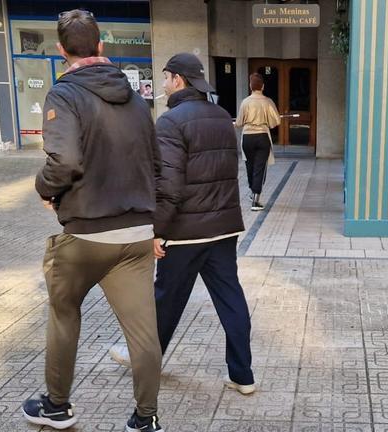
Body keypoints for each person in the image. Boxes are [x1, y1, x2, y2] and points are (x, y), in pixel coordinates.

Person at [22, 9, 166, 432]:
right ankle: (147, 419)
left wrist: (45, 189)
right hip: (137, 234)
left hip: (85, 234)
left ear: (62, 51)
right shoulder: (138, 100)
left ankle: (57, 405)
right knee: (143, 332)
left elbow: (64, 160)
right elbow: (157, 165)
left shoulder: (64, 96)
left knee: (64, 313)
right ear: (101, 47)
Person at [109, 53, 256, 396]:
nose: (162, 84)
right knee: (230, 298)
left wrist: (156, 230)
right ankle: (243, 375)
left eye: (164, 77)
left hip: (186, 233)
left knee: (165, 298)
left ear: (177, 80)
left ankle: (141, 357)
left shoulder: (171, 122)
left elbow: (168, 186)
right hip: (224, 228)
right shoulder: (222, 117)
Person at [234, 73, 281, 211]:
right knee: (260, 167)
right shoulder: (268, 101)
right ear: (263, 86)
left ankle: (253, 191)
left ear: (251, 86)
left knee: (250, 165)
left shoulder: (245, 102)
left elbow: (239, 122)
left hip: (247, 137)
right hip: (262, 137)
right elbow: (276, 121)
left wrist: (237, 123)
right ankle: (256, 199)